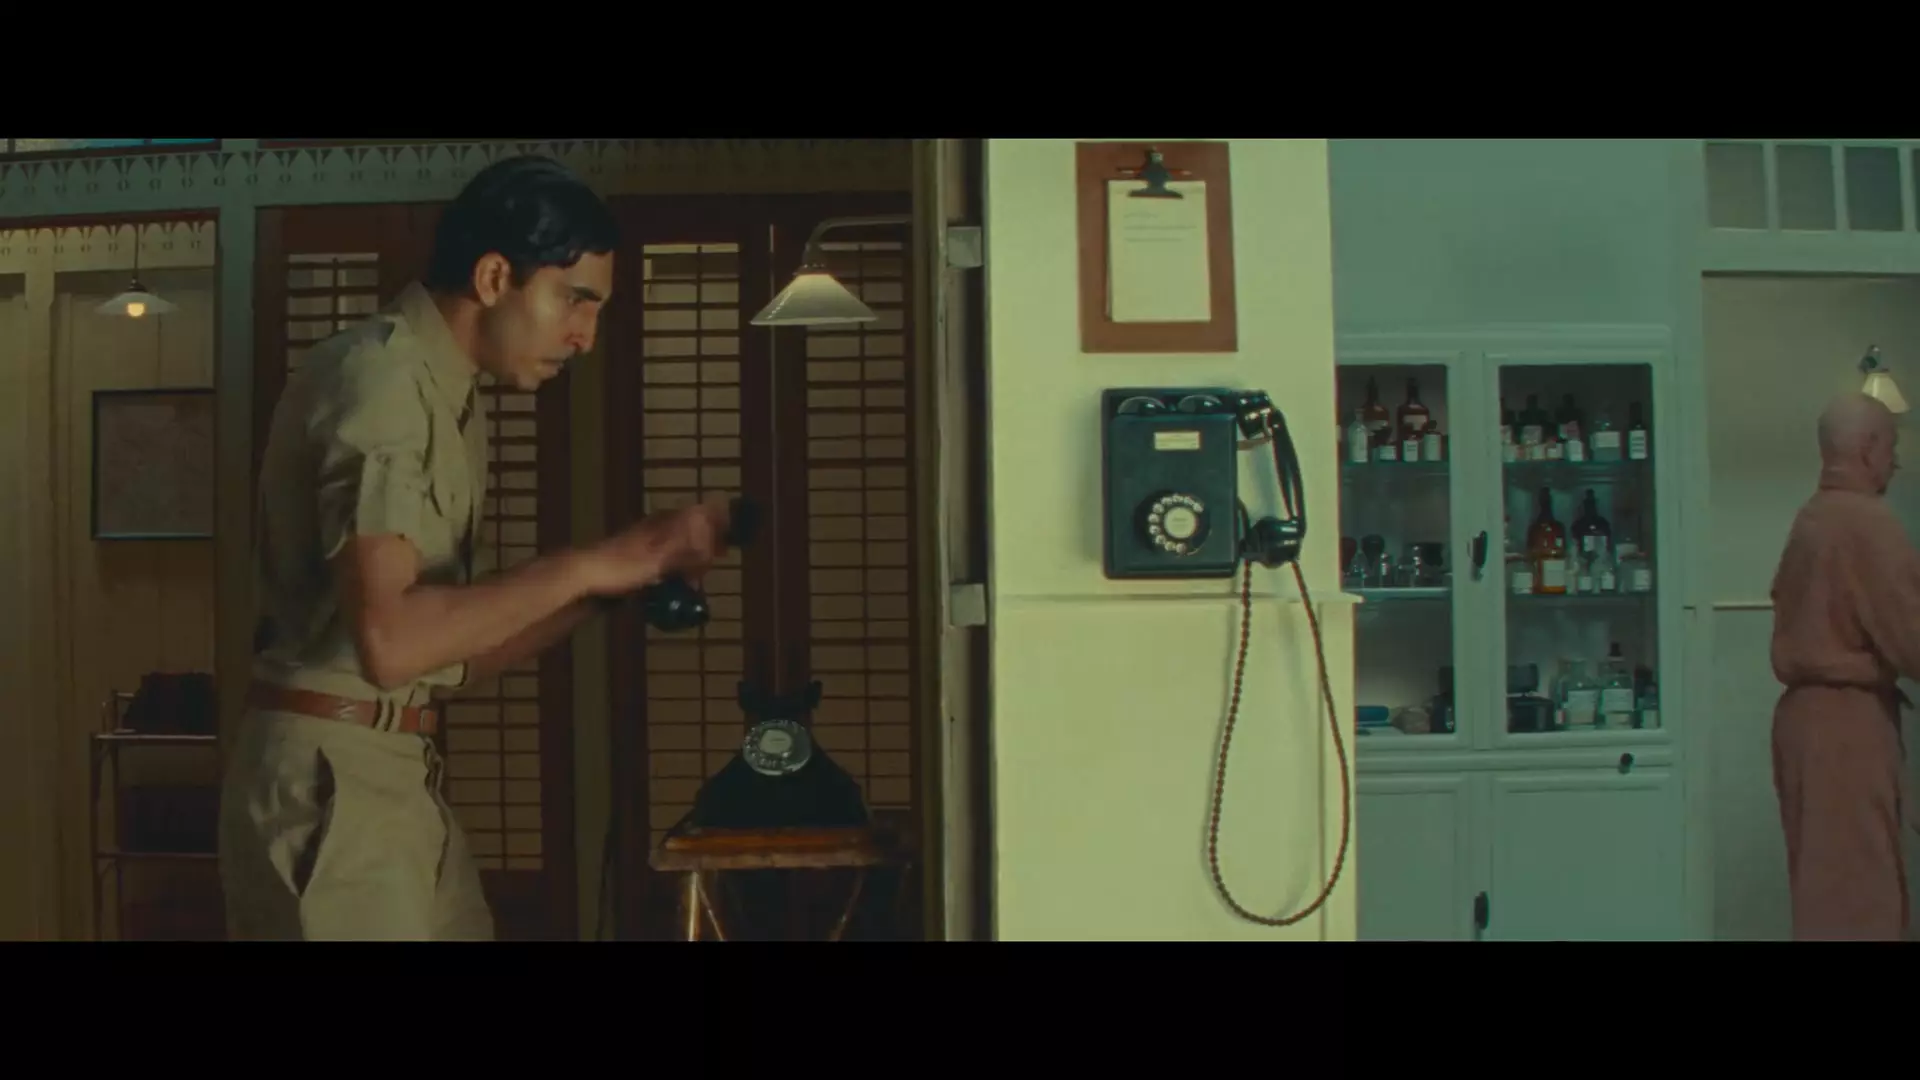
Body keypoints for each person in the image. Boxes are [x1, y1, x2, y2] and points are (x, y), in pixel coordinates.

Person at [219, 155, 730, 940]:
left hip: (395, 772)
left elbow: (445, 655)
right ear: (495, 278)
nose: (586, 336)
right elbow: (392, 643)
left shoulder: (448, 393)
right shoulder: (385, 378)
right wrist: (592, 563)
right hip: (334, 780)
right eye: (575, 299)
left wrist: (612, 588)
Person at [1770, 390, 1920, 941]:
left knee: (1824, 891)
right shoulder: (1868, 524)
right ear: (1869, 447)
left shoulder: (1812, 518)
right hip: (1847, 729)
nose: (1896, 463)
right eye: (1892, 447)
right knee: (1861, 897)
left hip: (1804, 725)